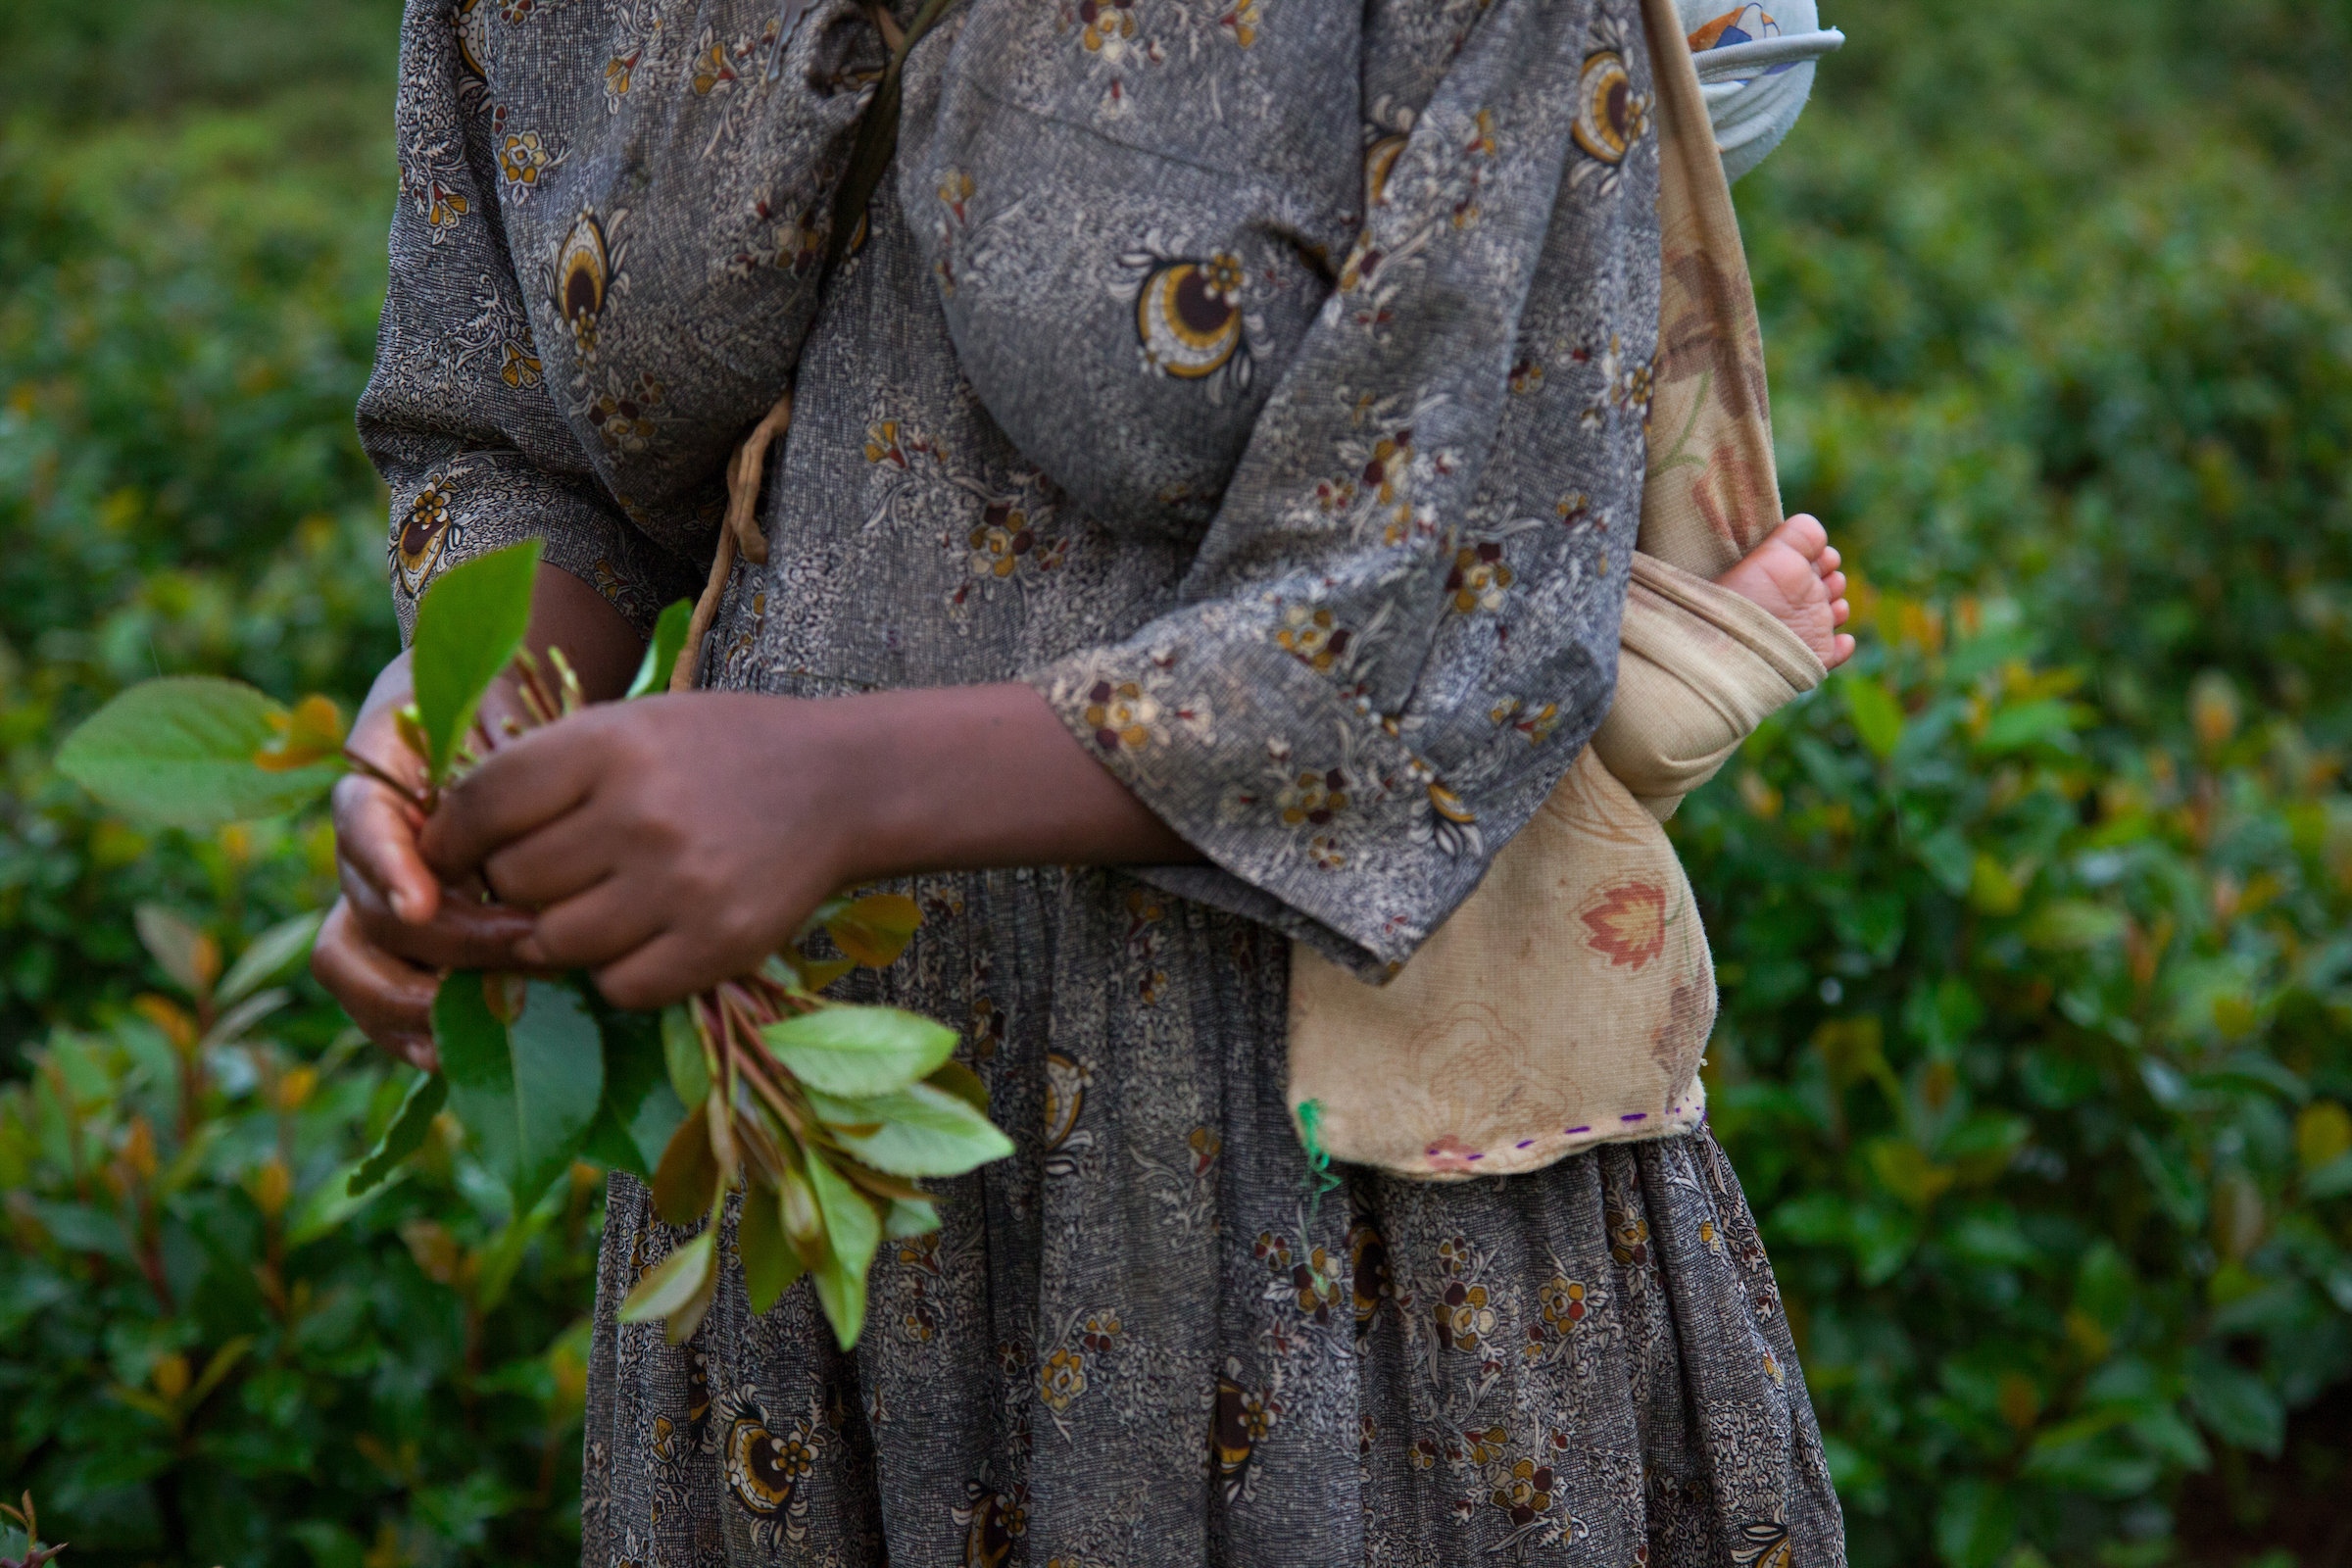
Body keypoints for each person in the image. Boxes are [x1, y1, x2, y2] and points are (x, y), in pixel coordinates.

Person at [315, 0, 1850, 1558]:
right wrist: (466, 721)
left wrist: (838, 795)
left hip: (1301, 1192)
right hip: (812, 1138)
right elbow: (516, 439)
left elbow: (1457, 587)